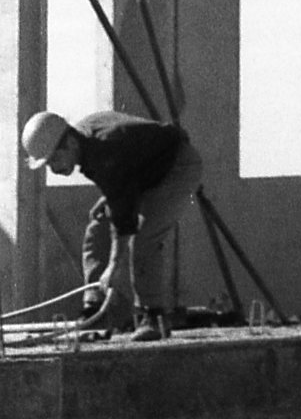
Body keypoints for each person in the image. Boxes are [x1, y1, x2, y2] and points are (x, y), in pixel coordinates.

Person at [23, 105, 205, 336]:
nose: (54, 168)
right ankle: (96, 309)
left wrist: (113, 266)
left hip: (178, 167)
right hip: (144, 173)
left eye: (54, 160)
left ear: (70, 143)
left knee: (144, 237)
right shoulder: (86, 141)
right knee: (98, 225)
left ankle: (152, 316)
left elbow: (124, 223)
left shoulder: (103, 151)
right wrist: (115, 196)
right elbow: (123, 175)